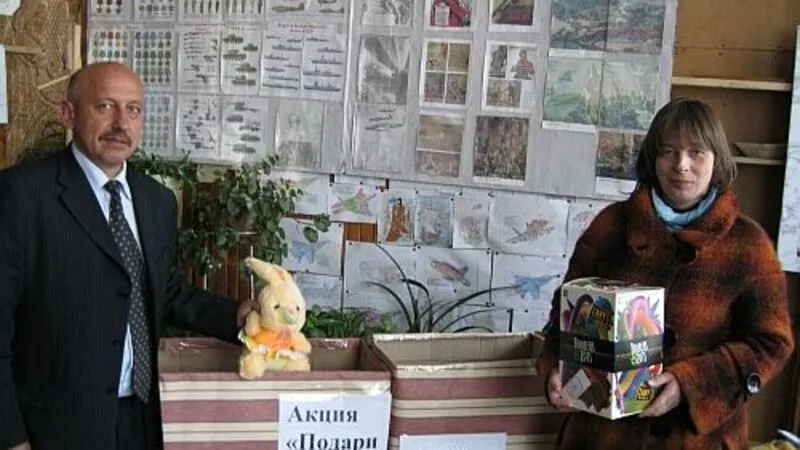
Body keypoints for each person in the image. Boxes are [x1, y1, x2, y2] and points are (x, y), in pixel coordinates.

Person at [0, 62, 257, 450]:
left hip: (140, 419)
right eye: (104, 106)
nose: (121, 123)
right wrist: (10, 437)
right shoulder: (21, 196)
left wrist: (235, 316)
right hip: (54, 428)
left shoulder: (156, 200)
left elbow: (160, 289)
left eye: (133, 109)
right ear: (68, 113)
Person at [539, 97, 794, 449]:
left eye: (696, 152)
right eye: (668, 152)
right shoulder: (611, 226)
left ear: (716, 159)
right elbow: (564, 312)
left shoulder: (748, 244)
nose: (681, 165)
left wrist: (690, 384)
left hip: (696, 439)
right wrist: (556, 366)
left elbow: (771, 342)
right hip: (603, 436)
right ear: (652, 159)